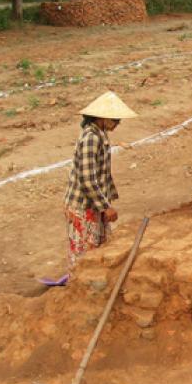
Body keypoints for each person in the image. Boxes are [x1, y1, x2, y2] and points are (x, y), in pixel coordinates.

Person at [64, 91, 138, 271]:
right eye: (115, 120)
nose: (117, 125)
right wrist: (106, 207)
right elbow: (88, 178)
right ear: (102, 118)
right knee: (85, 254)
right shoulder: (91, 138)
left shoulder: (99, 134)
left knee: (97, 248)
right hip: (84, 205)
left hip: (94, 203)